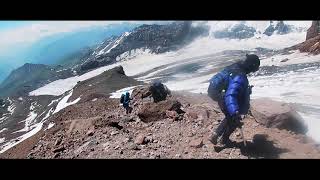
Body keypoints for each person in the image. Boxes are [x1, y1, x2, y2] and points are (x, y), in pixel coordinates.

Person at [207, 54, 260, 146]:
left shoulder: (236, 66)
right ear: (251, 66)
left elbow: (231, 84)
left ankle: (216, 135)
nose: (255, 71)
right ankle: (222, 139)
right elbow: (231, 95)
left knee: (230, 117)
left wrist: (246, 89)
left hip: (214, 90)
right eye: (256, 68)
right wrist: (234, 111)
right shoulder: (240, 76)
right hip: (222, 95)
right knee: (234, 120)